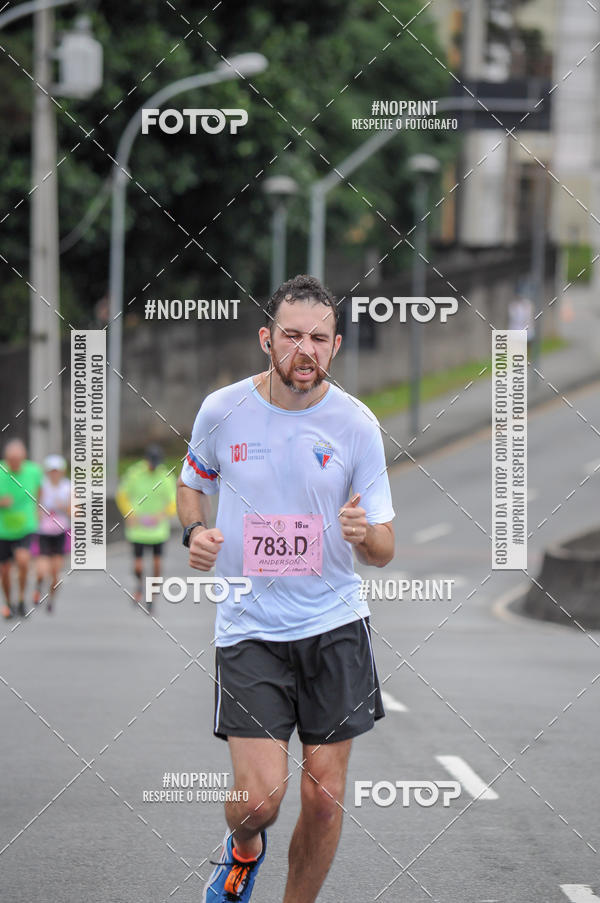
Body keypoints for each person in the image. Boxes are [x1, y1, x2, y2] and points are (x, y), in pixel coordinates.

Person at [177, 274, 395, 903]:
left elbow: (383, 549)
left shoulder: (356, 424)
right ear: (266, 339)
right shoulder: (223, 410)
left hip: (335, 625)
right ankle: (242, 852)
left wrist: (363, 535)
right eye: (293, 335)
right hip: (250, 627)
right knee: (258, 803)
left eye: (320, 338)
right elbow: (194, 482)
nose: (306, 349)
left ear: (336, 346)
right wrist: (195, 529)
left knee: (323, 801)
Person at [116, 444, 176, 610]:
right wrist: (129, 514)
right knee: (139, 565)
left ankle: (152, 594)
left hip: (158, 529)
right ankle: (139, 587)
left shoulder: (165, 476)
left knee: (157, 564)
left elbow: (172, 502)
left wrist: (162, 515)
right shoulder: (135, 474)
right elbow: (122, 495)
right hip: (138, 528)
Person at [0, 439, 43, 619]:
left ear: (23, 458)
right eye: (11, 460)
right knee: (5, 570)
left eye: (18, 459)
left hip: (26, 525)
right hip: (3, 529)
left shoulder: (33, 471)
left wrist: (37, 508)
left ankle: (20, 599)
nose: (14, 463)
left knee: (23, 561)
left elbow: (40, 489)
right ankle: (9, 602)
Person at [34, 455, 71, 614]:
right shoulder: (42, 486)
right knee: (42, 570)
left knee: (56, 573)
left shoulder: (68, 487)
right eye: (51, 471)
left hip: (60, 532)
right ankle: (37, 587)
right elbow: (35, 505)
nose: (54, 474)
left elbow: (74, 510)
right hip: (44, 532)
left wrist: (62, 507)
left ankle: (51, 599)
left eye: (57, 471)